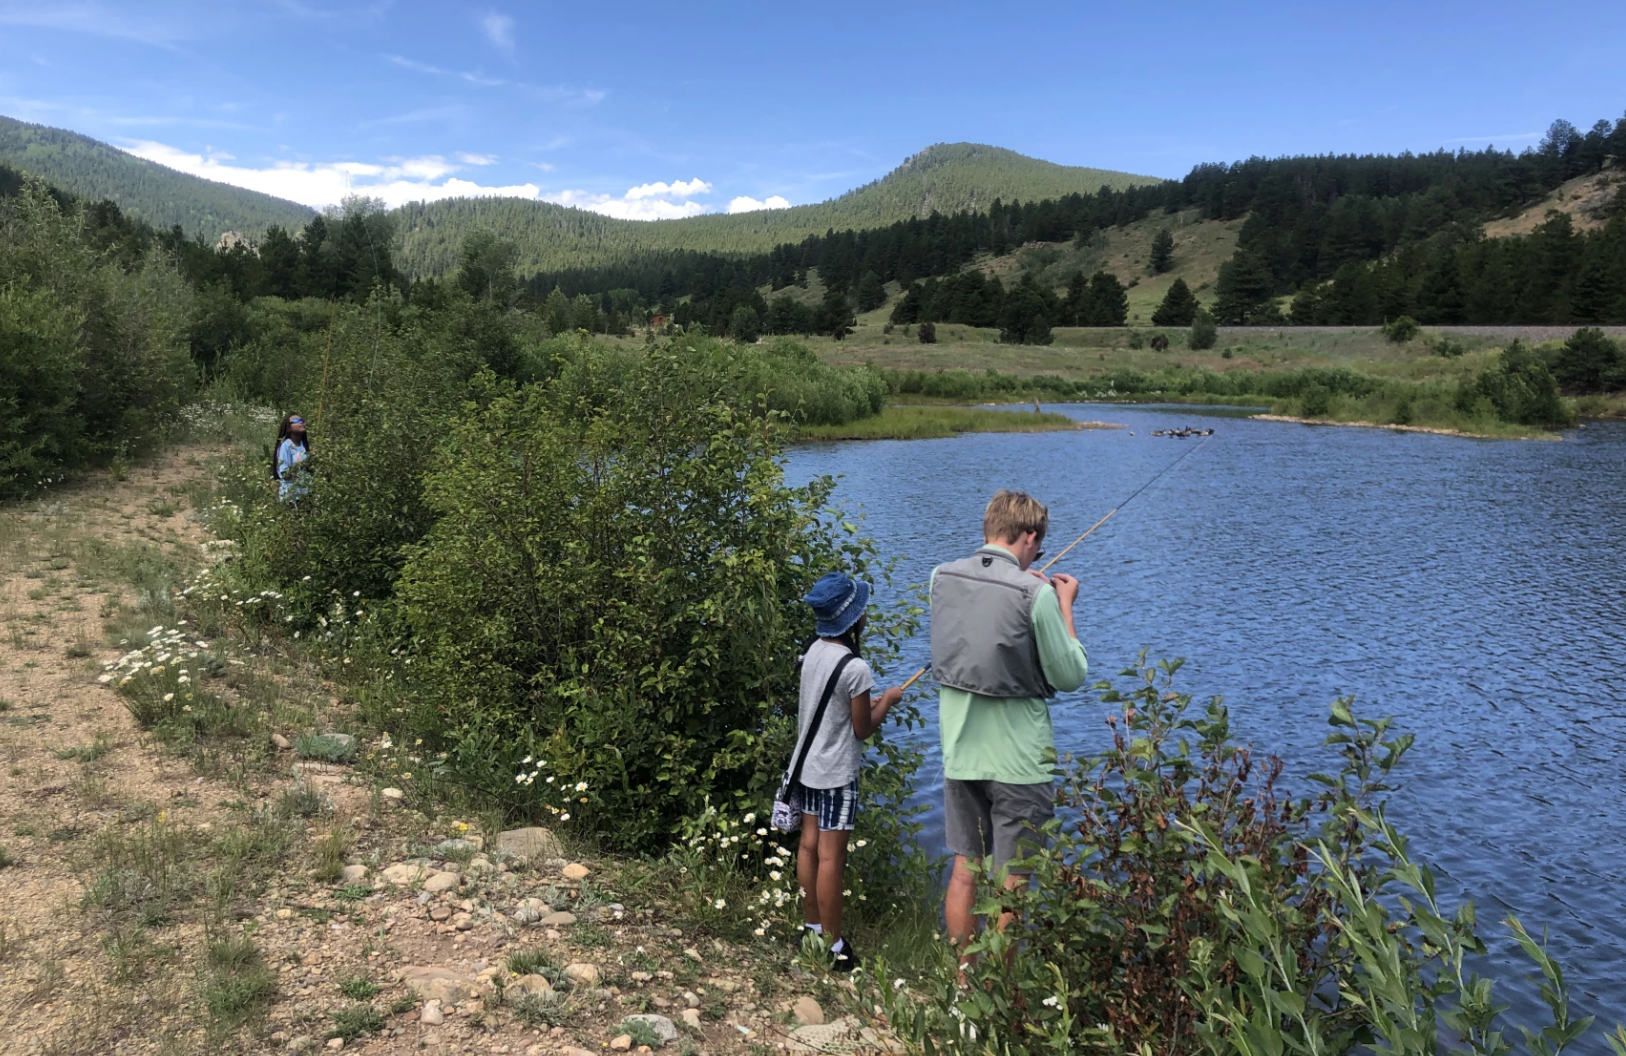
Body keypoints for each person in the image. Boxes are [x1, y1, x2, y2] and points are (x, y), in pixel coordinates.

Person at [929, 489, 1088, 948]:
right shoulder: (1036, 594)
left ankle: (963, 991)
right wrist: (1062, 605)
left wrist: (1026, 584)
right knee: (1013, 879)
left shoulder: (940, 577)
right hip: (1018, 762)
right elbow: (1071, 673)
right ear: (1030, 537)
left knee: (965, 870)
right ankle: (1001, 995)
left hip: (961, 753)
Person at [792, 571, 904, 972]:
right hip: (836, 774)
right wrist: (887, 700)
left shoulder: (812, 651)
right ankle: (833, 944)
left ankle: (810, 927)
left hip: (806, 767)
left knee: (808, 846)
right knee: (831, 857)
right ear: (853, 618)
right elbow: (862, 728)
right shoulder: (856, 668)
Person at [274, 414, 312, 503]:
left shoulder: (304, 445)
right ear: (289, 428)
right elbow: (285, 475)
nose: (301, 423)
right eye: (296, 421)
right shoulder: (286, 446)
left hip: (305, 495)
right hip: (291, 497)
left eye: (302, 420)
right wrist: (304, 462)